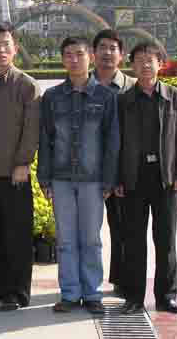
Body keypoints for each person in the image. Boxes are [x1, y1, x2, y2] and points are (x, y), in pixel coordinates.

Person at [37, 36, 119, 315]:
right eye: (69, 55)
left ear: (90, 57)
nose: (74, 59)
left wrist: (108, 180)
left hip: (92, 180)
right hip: (61, 179)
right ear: (63, 59)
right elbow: (45, 139)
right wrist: (44, 178)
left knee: (91, 239)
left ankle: (92, 293)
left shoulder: (105, 97)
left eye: (79, 54)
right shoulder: (52, 97)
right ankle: (70, 293)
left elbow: (112, 142)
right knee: (65, 240)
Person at [118, 41, 177, 315]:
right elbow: (115, 142)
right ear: (132, 65)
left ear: (160, 64)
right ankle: (134, 297)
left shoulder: (175, 97)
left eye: (150, 60)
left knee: (166, 240)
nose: (145, 65)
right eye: (139, 61)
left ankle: (166, 296)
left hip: (165, 178)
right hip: (133, 178)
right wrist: (116, 177)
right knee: (133, 241)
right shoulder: (123, 101)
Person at [0, 23, 41, 312]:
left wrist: (23, 162)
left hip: (14, 170)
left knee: (16, 232)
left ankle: (17, 291)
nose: (1, 50)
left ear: (15, 48)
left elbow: (32, 129)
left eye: (6, 44)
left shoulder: (27, 85)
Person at [91, 30, 136, 297]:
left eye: (112, 48)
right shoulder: (83, 84)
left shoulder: (132, 87)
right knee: (87, 232)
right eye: (102, 47)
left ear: (121, 54)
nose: (107, 53)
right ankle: (86, 284)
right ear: (93, 53)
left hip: (124, 172)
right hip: (89, 171)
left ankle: (123, 279)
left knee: (124, 228)